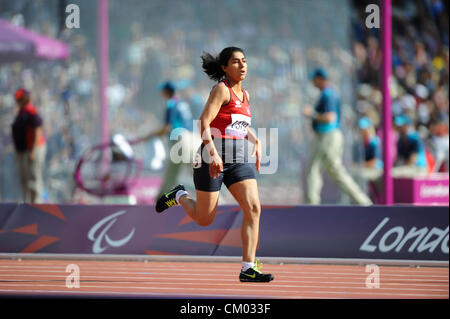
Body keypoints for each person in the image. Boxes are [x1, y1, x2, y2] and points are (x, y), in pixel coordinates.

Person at [154, 47, 273, 283]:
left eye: (244, 61)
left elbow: (237, 124)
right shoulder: (221, 89)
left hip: (238, 160)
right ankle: (179, 195)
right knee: (204, 218)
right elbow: (204, 123)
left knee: (254, 208)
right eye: (236, 62)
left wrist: (256, 139)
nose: (242, 66)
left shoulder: (245, 95)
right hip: (211, 158)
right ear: (224, 68)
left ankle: (248, 268)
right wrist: (213, 153)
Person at [303, 68, 372, 205]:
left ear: (320, 79)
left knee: (313, 169)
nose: (313, 82)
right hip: (330, 136)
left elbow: (330, 117)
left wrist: (312, 114)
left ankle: (311, 205)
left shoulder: (328, 94)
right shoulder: (330, 93)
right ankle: (363, 201)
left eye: (314, 79)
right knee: (335, 171)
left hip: (327, 136)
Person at [140, 81, 200, 198]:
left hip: (180, 140)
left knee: (171, 174)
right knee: (198, 173)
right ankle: (217, 198)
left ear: (166, 92)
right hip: (193, 139)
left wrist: (151, 134)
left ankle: (159, 201)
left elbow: (167, 127)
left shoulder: (171, 104)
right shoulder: (183, 103)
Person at [11, 88, 47, 203]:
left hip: (32, 149)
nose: (18, 102)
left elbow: (38, 129)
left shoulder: (31, 111)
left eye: (20, 99)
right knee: (25, 180)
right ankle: (28, 205)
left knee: (33, 178)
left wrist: (33, 150)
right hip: (24, 150)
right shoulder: (22, 112)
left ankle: (37, 206)